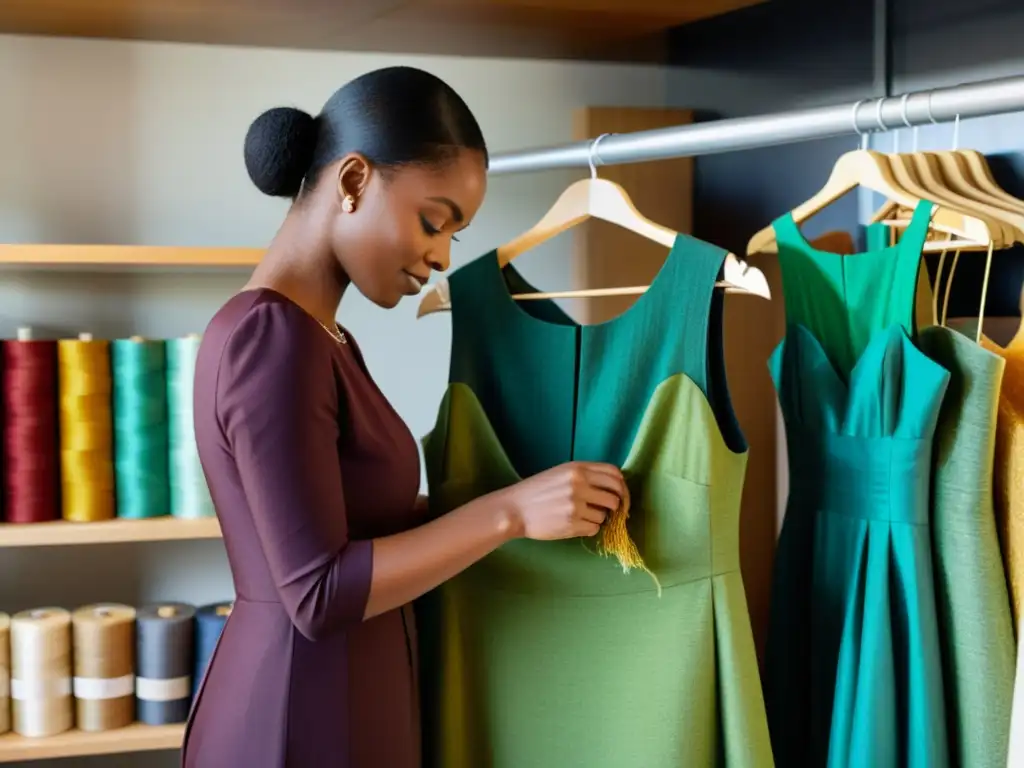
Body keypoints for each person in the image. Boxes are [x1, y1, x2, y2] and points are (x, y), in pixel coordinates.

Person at [182, 66, 626, 768]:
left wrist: (512, 501)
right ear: (354, 181)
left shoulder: (323, 338)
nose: (442, 257)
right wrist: (506, 514)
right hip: (295, 717)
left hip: (341, 697)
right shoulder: (271, 340)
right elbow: (317, 593)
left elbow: (361, 526)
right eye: (433, 221)